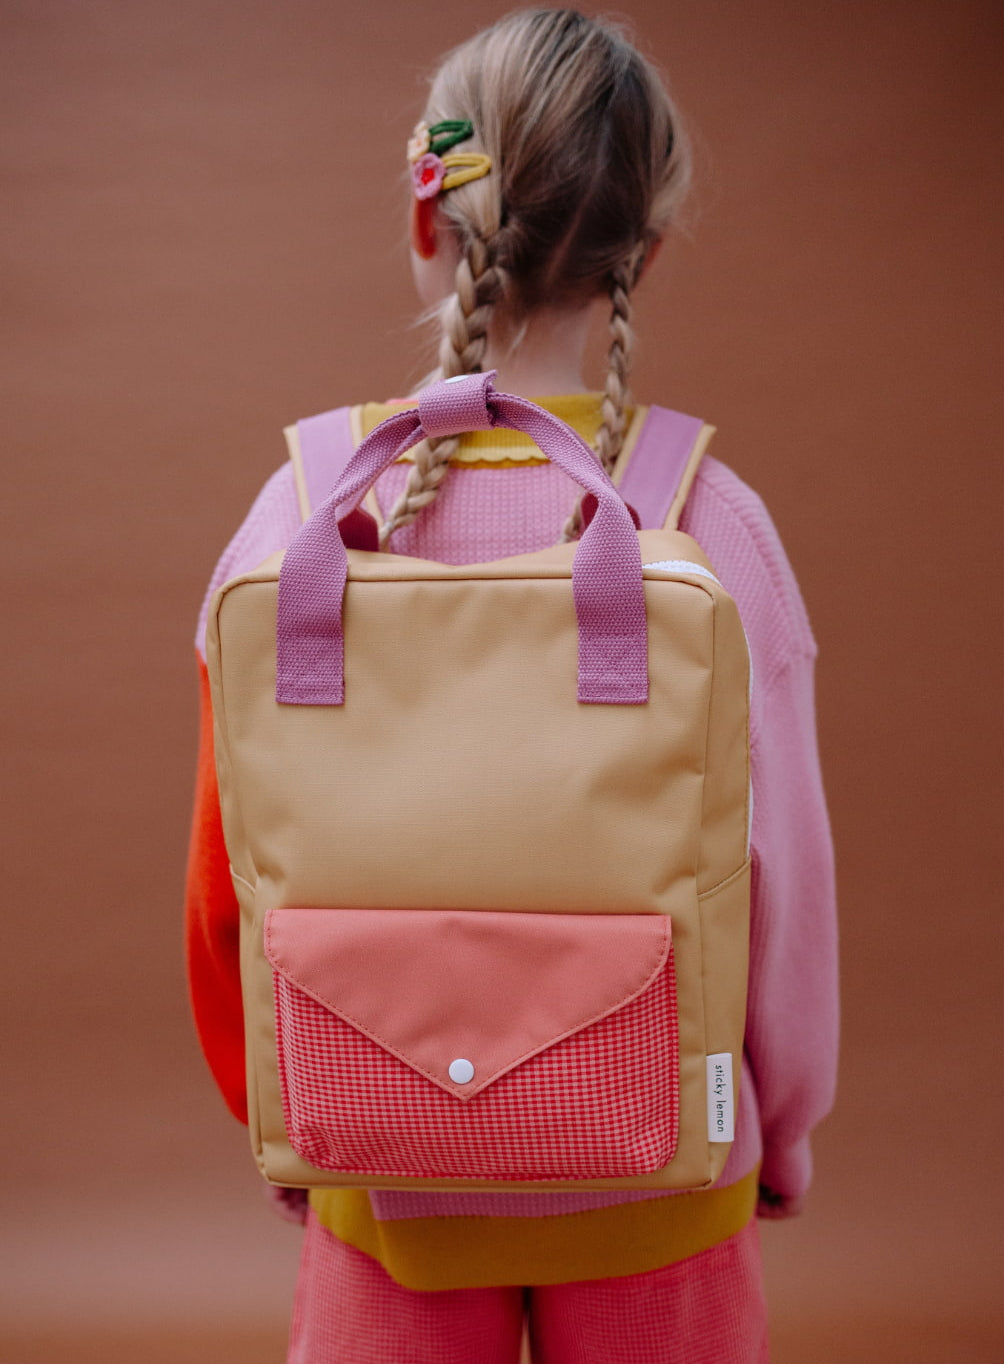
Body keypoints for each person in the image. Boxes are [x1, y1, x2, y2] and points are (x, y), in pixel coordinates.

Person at [185, 9, 837, 1362]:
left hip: (378, 1165)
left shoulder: (294, 520)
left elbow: (221, 885)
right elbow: (781, 891)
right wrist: (773, 1130)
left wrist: (292, 1106)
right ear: (643, 251)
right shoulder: (712, 528)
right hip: (666, 1169)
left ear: (429, 219)